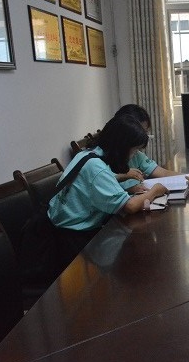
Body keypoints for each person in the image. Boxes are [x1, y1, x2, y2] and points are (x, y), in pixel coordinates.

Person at [47, 114, 167, 274]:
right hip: (72, 240)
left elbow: (91, 184)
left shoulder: (87, 154)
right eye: (134, 150)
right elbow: (130, 206)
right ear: (122, 147)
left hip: (58, 227)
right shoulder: (97, 168)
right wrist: (155, 190)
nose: (134, 155)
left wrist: (123, 182)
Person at [112, 104, 189, 193]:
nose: (143, 137)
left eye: (145, 132)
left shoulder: (136, 155)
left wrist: (187, 177)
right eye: (140, 132)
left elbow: (163, 173)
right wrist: (129, 188)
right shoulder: (105, 158)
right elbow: (107, 186)